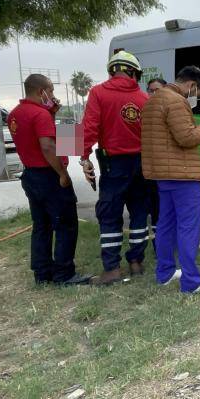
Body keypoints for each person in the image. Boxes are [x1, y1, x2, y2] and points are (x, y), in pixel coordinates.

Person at [7, 74, 93, 286]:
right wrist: (63, 174)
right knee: (66, 223)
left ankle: (42, 272)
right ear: (41, 91)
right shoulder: (39, 115)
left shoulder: (15, 114)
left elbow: (63, 142)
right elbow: (47, 146)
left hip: (30, 175)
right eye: (51, 91)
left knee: (42, 225)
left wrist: (53, 113)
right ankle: (64, 273)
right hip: (49, 175)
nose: (53, 95)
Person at [141, 66, 200, 293]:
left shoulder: (151, 99)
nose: (195, 99)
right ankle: (191, 282)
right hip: (182, 173)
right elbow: (185, 137)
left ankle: (164, 272)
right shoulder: (176, 100)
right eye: (197, 94)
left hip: (160, 173)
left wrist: (81, 159)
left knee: (165, 223)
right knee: (188, 226)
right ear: (192, 85)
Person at [80, 51, 151, 285]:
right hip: (142, 163)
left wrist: (84, 157)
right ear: (133, 71)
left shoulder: (98, 93)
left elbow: (89, 128)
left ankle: (111, 269)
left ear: (112, 70)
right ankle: (136, 262)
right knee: (139, 212)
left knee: (110, 215)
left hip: (113, 164)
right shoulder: (144, 98)